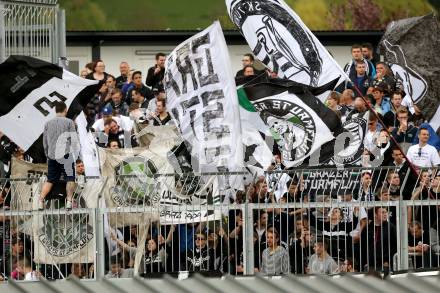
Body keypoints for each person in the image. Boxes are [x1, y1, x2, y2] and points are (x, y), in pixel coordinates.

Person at [38, 102, 78, 210]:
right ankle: (69, 201)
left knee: (50, 179)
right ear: (65, 109)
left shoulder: (47, 123)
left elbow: (44, 142)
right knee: (70, 178)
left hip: (52, 156)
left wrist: (48, 154)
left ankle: (40, 200)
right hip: (66, 155)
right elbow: (74, 140)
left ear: (55, 110)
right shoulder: (69, 122)